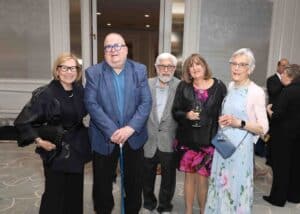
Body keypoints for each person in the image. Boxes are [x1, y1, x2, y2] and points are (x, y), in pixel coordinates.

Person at [14, 52, 90, 214]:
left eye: (73, 68)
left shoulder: (79, 91)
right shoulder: (46, 94)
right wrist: (39, 141)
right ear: (57, 71)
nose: (70, 72)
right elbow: (22, 121)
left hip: (77, 147)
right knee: (54, 194)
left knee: (75, 194)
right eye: (65, 68)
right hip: (56, 149)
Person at [84, 32, 152, 214]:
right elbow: (91, 104)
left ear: (125, 49)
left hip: (133, 137)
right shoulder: (94, 73)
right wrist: (113, 131)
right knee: (102, 185)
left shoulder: (139, 70)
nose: (113, 51)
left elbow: (146, 102)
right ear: (104, 51)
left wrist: (130, 129)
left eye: (117, 46)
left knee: (134, 182)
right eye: (108, 47)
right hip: (104, 138)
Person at [205, 48, 269, 214]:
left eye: (242, 65)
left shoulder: (256, 92)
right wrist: (224, 120)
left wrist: (238, 122)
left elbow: (263, 127)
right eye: (234, 63)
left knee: (235, 188)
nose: (236, 68)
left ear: (250, 69)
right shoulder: (231, 86)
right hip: (224, 145)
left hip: (240, 151)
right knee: (220, 186)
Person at [172, 53, 227, 214]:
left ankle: (203, 210)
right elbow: (175, 111)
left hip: (209, 141)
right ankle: (188, 211)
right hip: (188, 140)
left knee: (203, 180)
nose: (195, 68)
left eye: (198, 64)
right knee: (189, 179)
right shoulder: (183, 86)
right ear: (188, 70)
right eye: (191, 65)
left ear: (204, 66)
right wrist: (186, 115)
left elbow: (225, 110)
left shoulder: (218, 86)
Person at [142, 53, 180, 214]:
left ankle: (165, 206)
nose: (166, 70)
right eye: (162, 66)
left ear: (174, 69)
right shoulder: (146, 84)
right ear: (156, 67)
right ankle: (149, 204)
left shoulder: (181, 86)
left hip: (169, 140)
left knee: (168, 178)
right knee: (146, 176)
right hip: (148, 139)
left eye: (170, 67)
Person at [263, 64, 300, 207]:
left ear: (290, 76)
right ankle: (294, 196)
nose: (282, 76)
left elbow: (277, 115)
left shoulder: (288, 91)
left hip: (283, 136)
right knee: (295, 166)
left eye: (284, 74)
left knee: (281, 167)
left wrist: (269, 110)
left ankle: (277, 198)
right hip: (298, 136)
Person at [265, 58, 289, 166]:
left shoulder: (289, 80)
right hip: (272, 111)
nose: (285, 68)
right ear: (278, 66)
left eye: (287, 66)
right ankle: (269, 159)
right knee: (271, 137)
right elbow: (273, 92)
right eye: (283, 65)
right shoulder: (271, 79)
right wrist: (283, 83)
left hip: (284, 113)